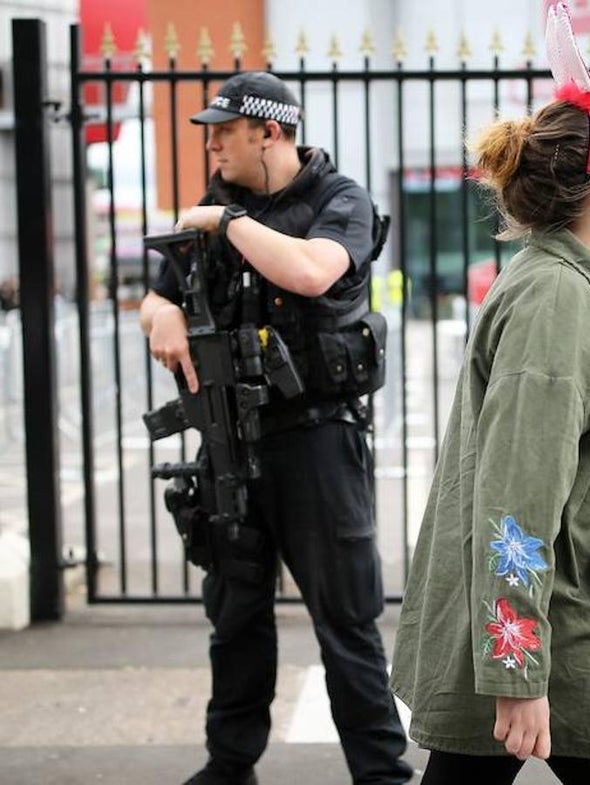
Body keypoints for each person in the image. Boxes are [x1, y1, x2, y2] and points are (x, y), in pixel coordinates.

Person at [391, 7, 590, 784]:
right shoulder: (556, 295)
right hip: (566, 622)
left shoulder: (567, 281)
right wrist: (516, 667)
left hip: (568, 608)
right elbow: (519, 488)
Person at [139, 72, 412, 785]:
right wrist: (161, 316)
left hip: (317, 437)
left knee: (346, 619)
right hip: (231, 436)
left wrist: (227, 223)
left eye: (225, 132)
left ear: (271, 131)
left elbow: (313, 273)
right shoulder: (215, 204)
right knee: (235, 614)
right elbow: (156, 296)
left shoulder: (338, 199)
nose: (212, 146)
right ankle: (230, 764)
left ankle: (381, 774)